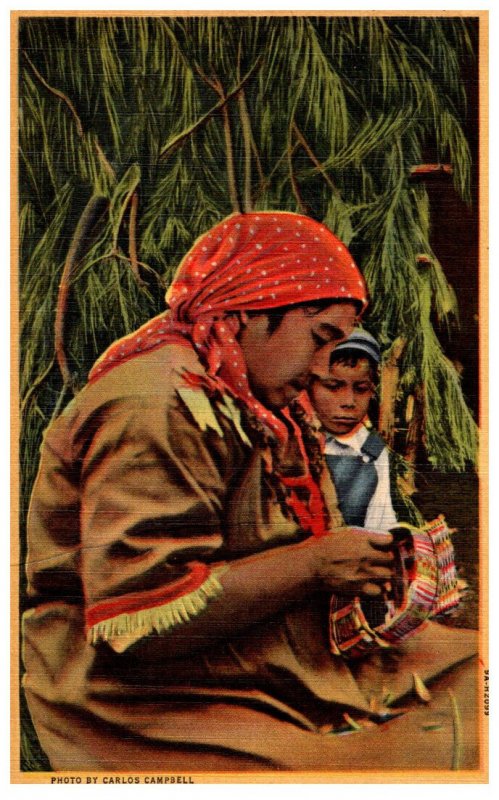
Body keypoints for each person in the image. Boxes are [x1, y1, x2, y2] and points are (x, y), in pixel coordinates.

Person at [23, 212, 477, 773]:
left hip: (270, 657)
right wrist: (315, 565)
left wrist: (375, 572)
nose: (320, 370)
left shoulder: (271, 407)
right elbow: (137, 622)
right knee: (437, 750)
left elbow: (308, 544)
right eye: (320, 338)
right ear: (247, 313)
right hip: (148, 697)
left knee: (478, 670)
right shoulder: (159, 401)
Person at [308, 328, 420, 530]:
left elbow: (381, 522)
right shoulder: (291, 442)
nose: (349, 402)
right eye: (333, 386)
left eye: (360, 389)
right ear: (308, 385)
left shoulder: (372, 449)